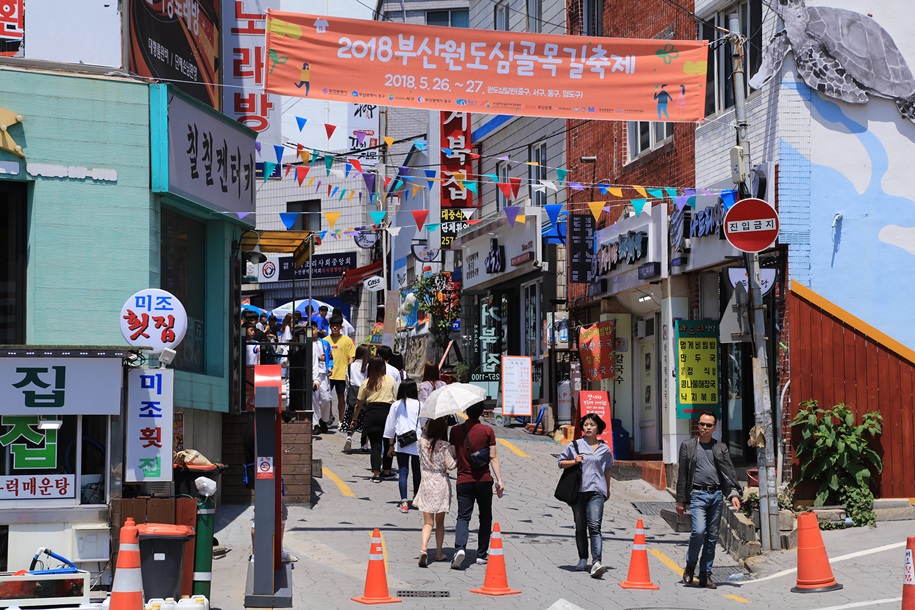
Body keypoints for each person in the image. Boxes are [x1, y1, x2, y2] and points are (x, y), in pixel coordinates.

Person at [676, 410, 742, 590]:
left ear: (714, 427)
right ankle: (690, 565)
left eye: (708, 425)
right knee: (698, 531)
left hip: (716, 496)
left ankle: (705, 574)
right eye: (701, 424)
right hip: (697, 495)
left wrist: (734, 494)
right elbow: (682, 475)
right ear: (698, 425)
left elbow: (728, 473)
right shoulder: (687, 446)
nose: (704, 428)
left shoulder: (720, 448)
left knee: (712, 537)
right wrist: (680, 500)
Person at [557, 413, 614, 578]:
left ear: (598, 428)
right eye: (586, 424)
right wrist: (574, 461)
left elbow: (608, 469)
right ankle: (583, 558)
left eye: (592, 424)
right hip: (579, 491)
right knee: (580, 527)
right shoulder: (575, 445)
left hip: (597, 492)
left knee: (595, 526)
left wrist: (607, 490)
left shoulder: (605, 449)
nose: (588, 427)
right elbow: (561, 462)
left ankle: (597, 562)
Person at [449, 401, 504, 569]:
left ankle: (459, 548)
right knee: (485, 516)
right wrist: (499, 480)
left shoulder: (456, 431)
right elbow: (493, 457)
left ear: (466, 411)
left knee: (463, 516)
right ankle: (481, 554)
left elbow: (452, 455)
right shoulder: (488, 430)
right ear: (481, 413)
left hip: (463, 480)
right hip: (484, 480)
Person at [244, 418, 297, 563]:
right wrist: (280, 453)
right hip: (266, 478)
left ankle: (264, 553)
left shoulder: (251, 425)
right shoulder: (262, 429)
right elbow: (268, 454)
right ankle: (272, 553)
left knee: (266, 513)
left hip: (257, 475)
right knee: (270, 514)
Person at [413, 417, 457, 567]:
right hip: (440, 483)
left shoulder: (421, 443)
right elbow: (451, 465)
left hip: (426, 481)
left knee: (427, 522)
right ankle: (439, 553)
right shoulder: (445, 445)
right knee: (440, 522)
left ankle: (424, 548)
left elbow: (423, 439)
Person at [350, 356, 396, 482]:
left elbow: (358, 404)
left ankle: (376, 474)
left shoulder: (366, 383)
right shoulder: (391, 380)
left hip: (372, 414)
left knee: (375, 445)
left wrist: (354, 419)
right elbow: (396, 399)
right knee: (388, 444)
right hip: (387, 413)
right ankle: (387, 471)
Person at [383, 379, 425, 513]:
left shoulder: (396, 405)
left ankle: (404, 502)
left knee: (403, 471)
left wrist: (391, 445)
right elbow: (423, 424)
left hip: (402, 442)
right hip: (417, 440)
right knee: (417, 471)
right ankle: (416, 499)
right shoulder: (420, 404)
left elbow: (390, 428)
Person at [327, 315, 356, 425]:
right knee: (326, 398)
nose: (334, 328)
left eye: (337, 326)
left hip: (342, 374)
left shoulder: (347, 340)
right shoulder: (325, 341)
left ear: (341, 327)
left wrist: (350, 372)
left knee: (341, 398)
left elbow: (351, 357)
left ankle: (341, 420)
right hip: (328, 374)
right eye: (333, 326)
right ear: (330, 327)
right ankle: (329, 416)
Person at [342, 345, 371, 453]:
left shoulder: (350, 366)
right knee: (364, 421)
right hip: (365, 395)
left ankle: (349, 437)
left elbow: (347, 382)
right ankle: (364, 445)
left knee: (352, 418)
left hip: (352, 396)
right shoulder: (368, 367)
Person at [311, 321, 334, 434]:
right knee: (314, 400)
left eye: (314, 328)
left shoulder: (325, 343)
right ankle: (315, 424)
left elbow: (330, 357)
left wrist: (330, 367)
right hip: (312, 374)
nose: (313, 331)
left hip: (324, 374)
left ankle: (324, 420)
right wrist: (319, 358)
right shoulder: (307, 344)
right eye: (310, 329)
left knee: (326, 398)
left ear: (317, 329)